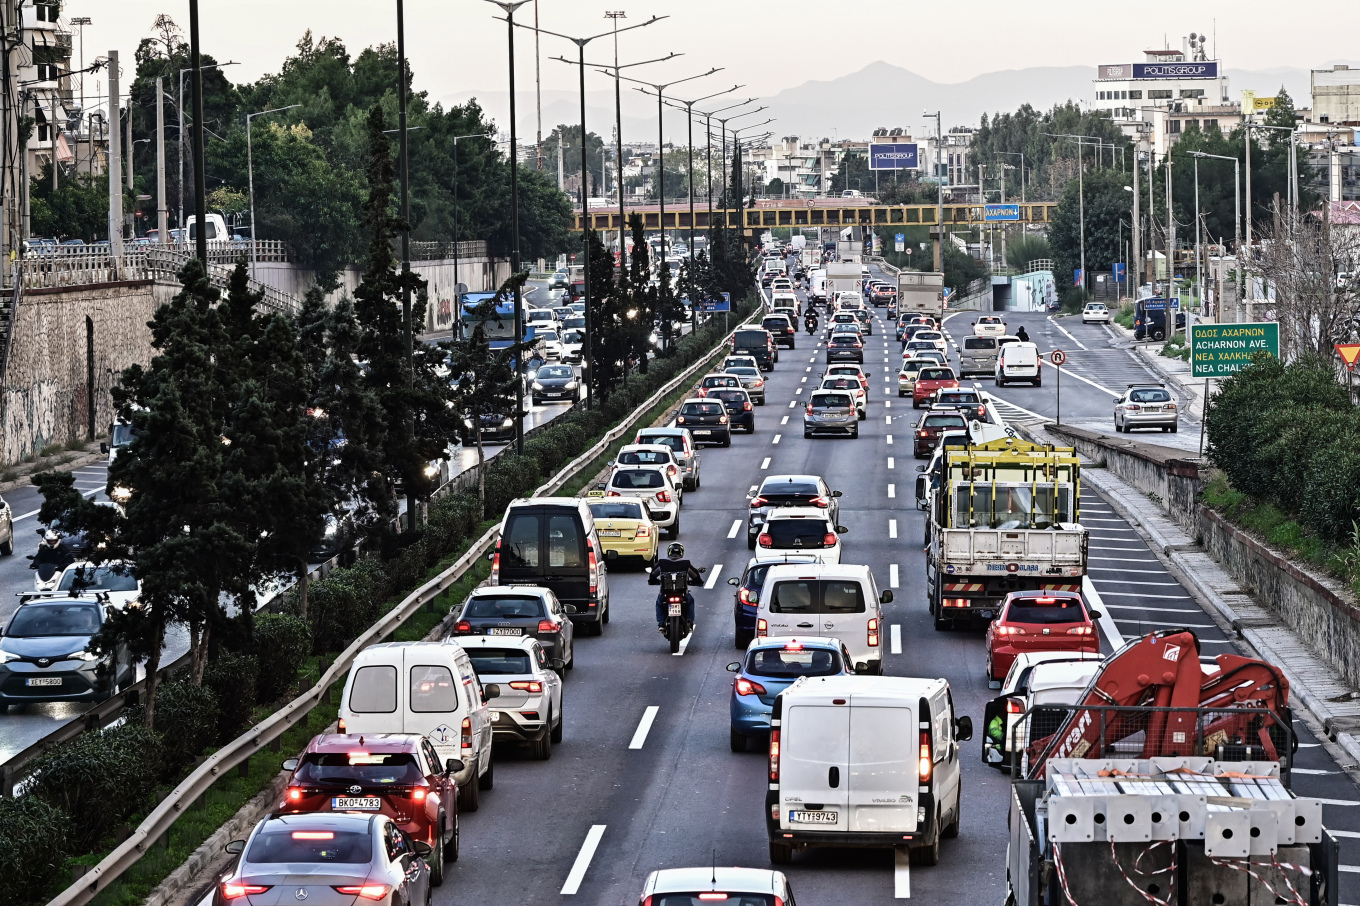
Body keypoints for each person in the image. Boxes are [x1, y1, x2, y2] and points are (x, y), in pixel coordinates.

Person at [649, 542, 701, 631]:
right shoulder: (686, 563)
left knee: (659, 603)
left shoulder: (662, 562)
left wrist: (653, 581)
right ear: (681, 552)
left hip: (665, 593)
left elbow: (653, 575)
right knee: (690, 601)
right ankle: (689, 621)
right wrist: (697, 582)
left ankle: (661, 624)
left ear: (669, 552)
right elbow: (696, 576)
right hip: (682, 593)